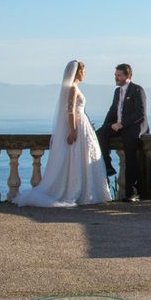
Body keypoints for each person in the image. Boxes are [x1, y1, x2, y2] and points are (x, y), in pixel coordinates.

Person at [13, 61, 112, 207]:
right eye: (83, 71)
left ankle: (87, 190)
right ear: (77, 72)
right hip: (78, 126)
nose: (84, 73)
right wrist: (73, 131)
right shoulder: (73, 88)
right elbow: (70, 111)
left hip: (82, 125)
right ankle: (81, 191)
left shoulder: (73, 88)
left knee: (82, 157)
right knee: (78, 158)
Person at [96, 63, 149, 202]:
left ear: (128, 76)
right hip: (119, 126)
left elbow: (141, 113)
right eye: (115, 75)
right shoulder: (117, 92)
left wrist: (122, 124)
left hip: (133, 127)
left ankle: (131, 193)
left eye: (119, 75)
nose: (116, 78)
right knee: (100, 134)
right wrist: (106, 127)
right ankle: (107, 165)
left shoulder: (137, 90)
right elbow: (112, 111)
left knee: (130, 156)